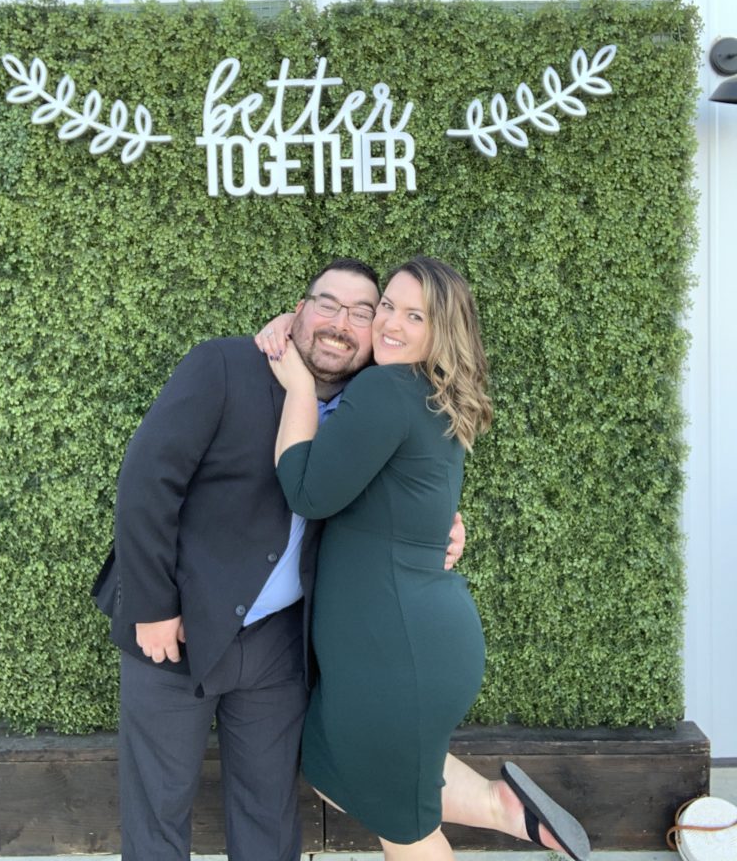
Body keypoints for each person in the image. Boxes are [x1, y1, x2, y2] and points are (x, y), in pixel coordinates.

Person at [92, 257, 466, 861]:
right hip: (177, 630)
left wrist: (440, 529)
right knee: (158, 811)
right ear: (298, 310)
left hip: (277, 646)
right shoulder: (224, 364)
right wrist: (155, 605)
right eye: (327, 304)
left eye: (362, 313)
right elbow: (145, 482)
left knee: (268, 813)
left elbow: (401, 494)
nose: (341, 323)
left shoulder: (372, 404)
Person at [266, 256, 591, 861]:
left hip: (396, 653)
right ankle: (503, 808)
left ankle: (494, 810)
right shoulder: (427, 396)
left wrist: (302, 388)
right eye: (387, 305)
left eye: (415, 315)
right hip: (407, 644)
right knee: (334, 771)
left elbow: (306, 491)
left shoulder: (387, 388)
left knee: (405, 830)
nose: (391, 322)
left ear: (441, 331)